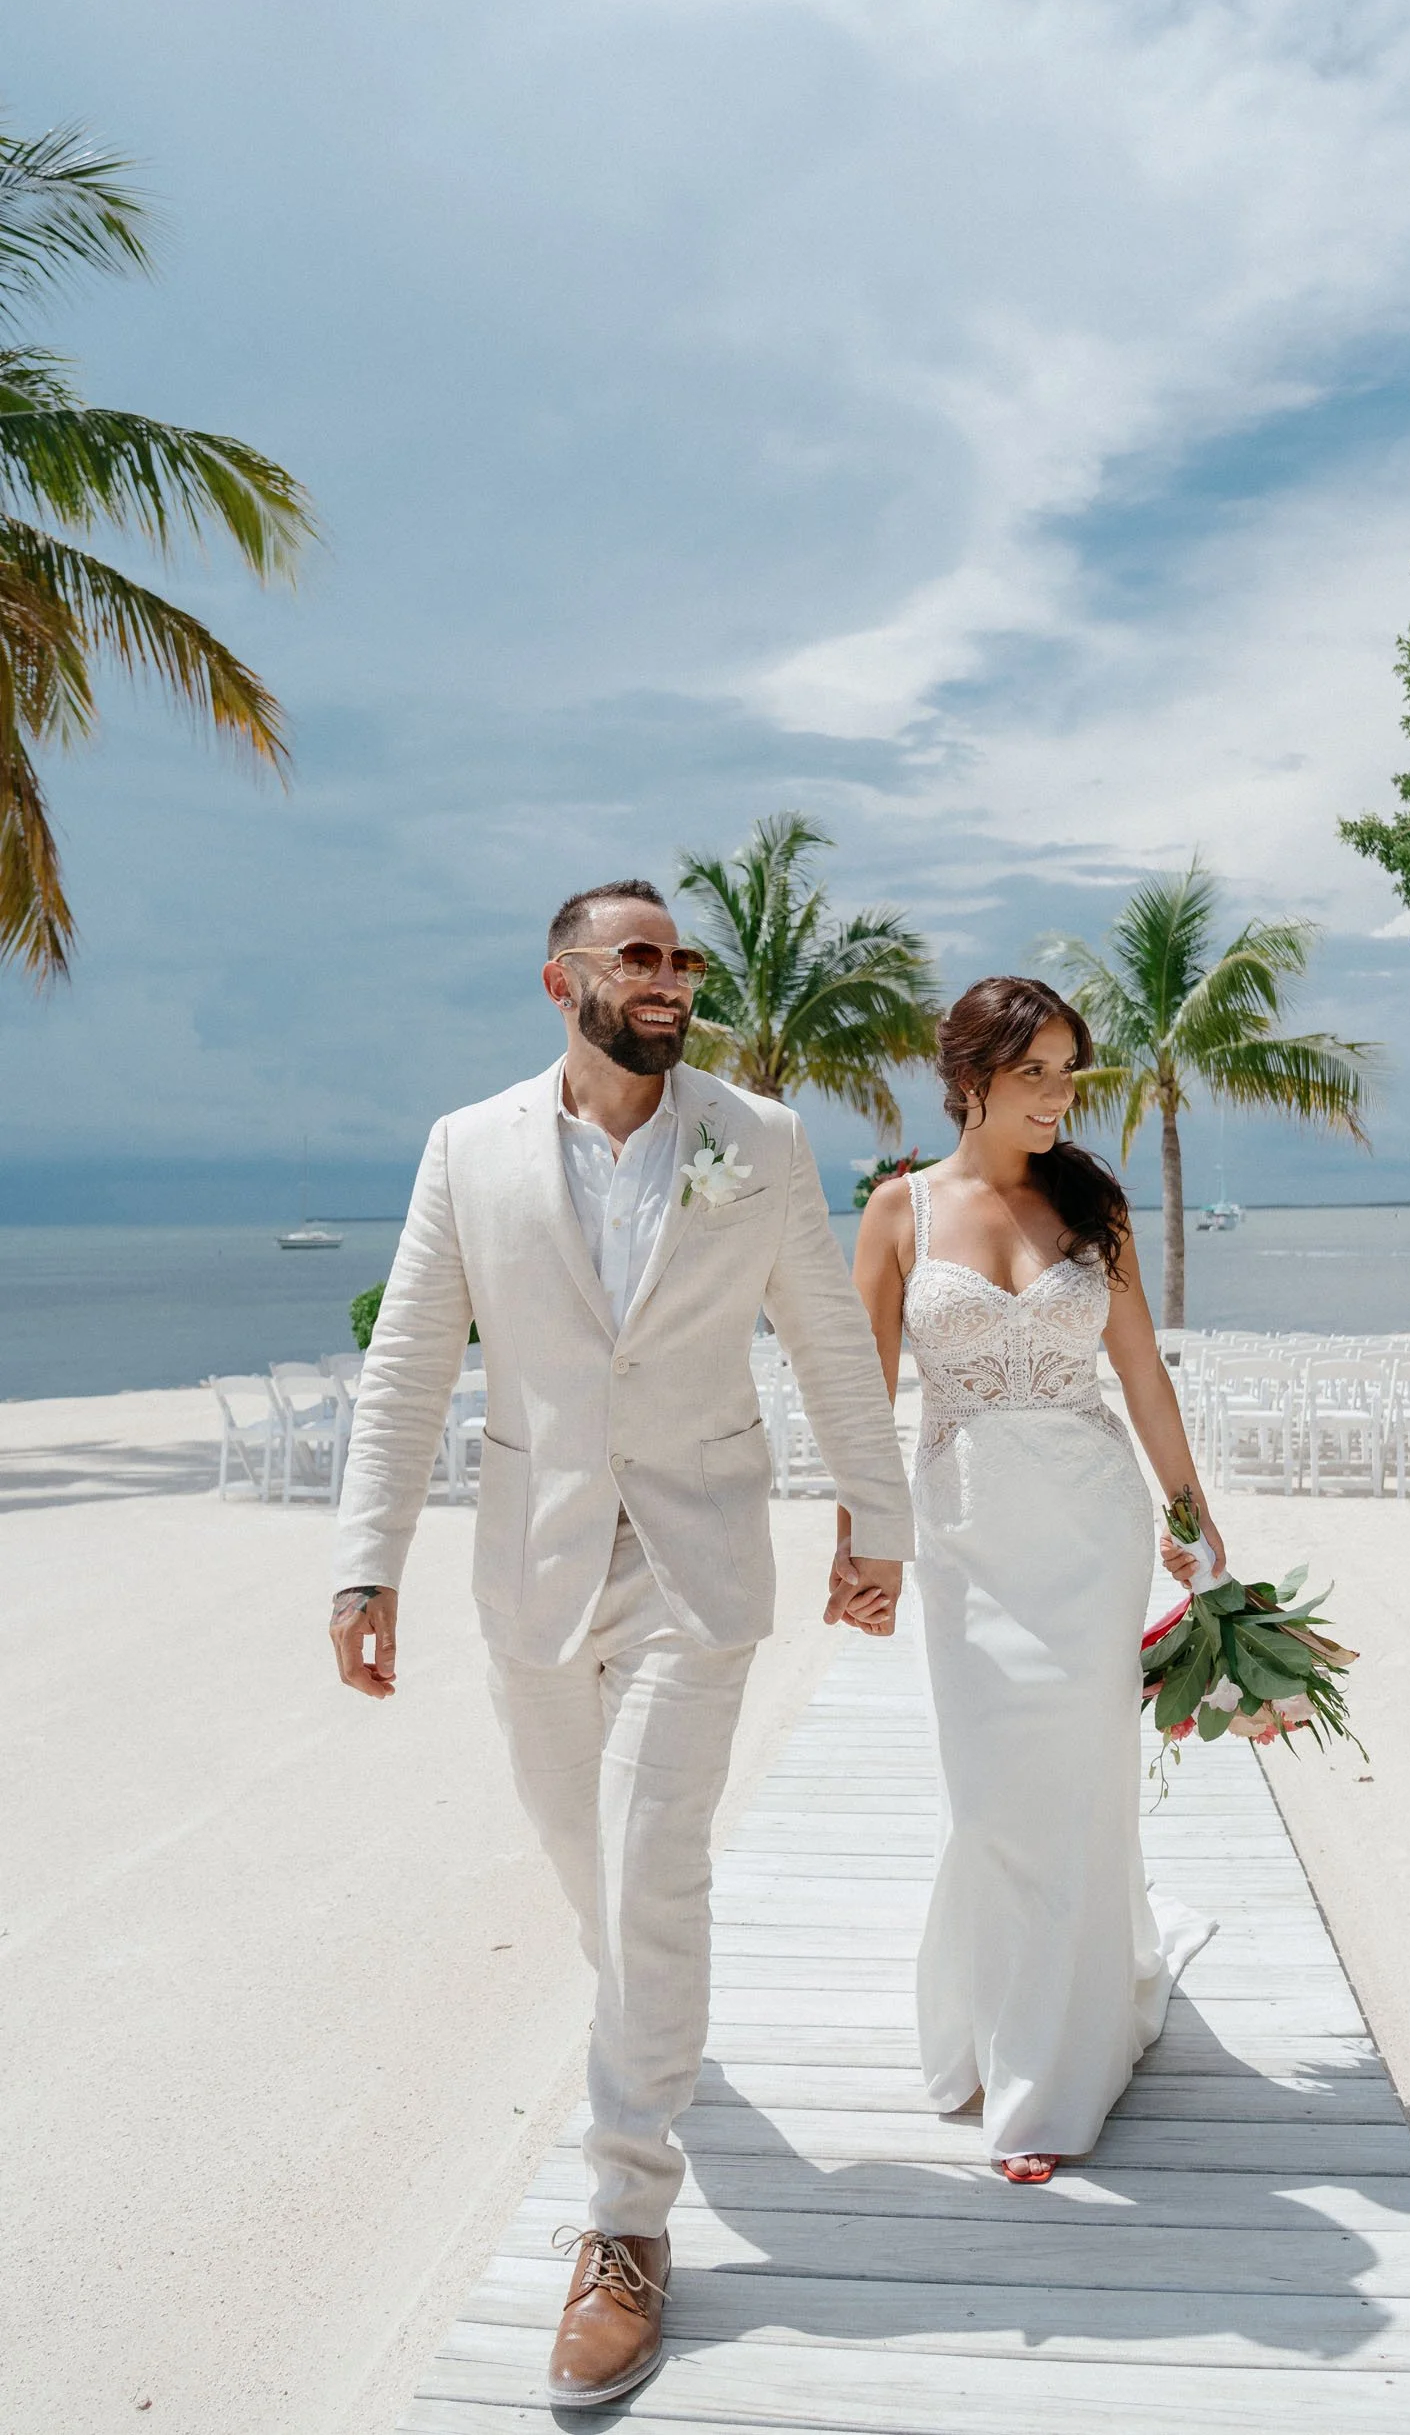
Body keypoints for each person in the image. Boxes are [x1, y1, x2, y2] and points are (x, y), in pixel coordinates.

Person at [328, 878, 912, 2408]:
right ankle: (655, 2038)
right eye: (639, 957)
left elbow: (829, 1341)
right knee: (587, 1875)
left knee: (652, 1866)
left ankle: (624, 2223)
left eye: (682, 960)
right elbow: (406, 1363)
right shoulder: (468, 1150)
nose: (670, 980)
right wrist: (361, 1562)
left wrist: (878, 1515)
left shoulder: (759, 1141)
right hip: (529, 1568)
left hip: (698, 1564)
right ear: (561, 980)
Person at [834, 974, 1220, 2184]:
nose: (1057, 1094)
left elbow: (1143, 1376)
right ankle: (994, 2021)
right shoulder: (898, 1211)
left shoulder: (1089, 1204)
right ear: (968, 1079)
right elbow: (861, 1401)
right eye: (1033, 1071)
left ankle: (1050, 2077)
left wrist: (1192, 1522)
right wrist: (859, 1544)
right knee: (996, 1794)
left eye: (1067, 1069)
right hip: (966, 1541)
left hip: (1090, 1533)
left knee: (1075, 1787)